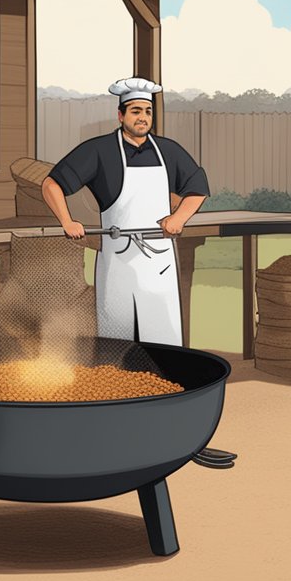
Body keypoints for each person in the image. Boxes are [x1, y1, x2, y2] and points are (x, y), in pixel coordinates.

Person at [42, 77, 236, 469]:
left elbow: (198, 186)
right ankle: (111, 438)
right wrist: (67, 222)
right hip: (117, 263)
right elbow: (52, 184)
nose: (142, 118)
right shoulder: (98, 152)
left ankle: (182, 439)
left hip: (159, 264)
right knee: (115, 351)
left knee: (169, 352)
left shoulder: (169, 152)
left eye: (147, 111)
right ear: (121, 115)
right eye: (135, 111)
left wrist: (179, 217)